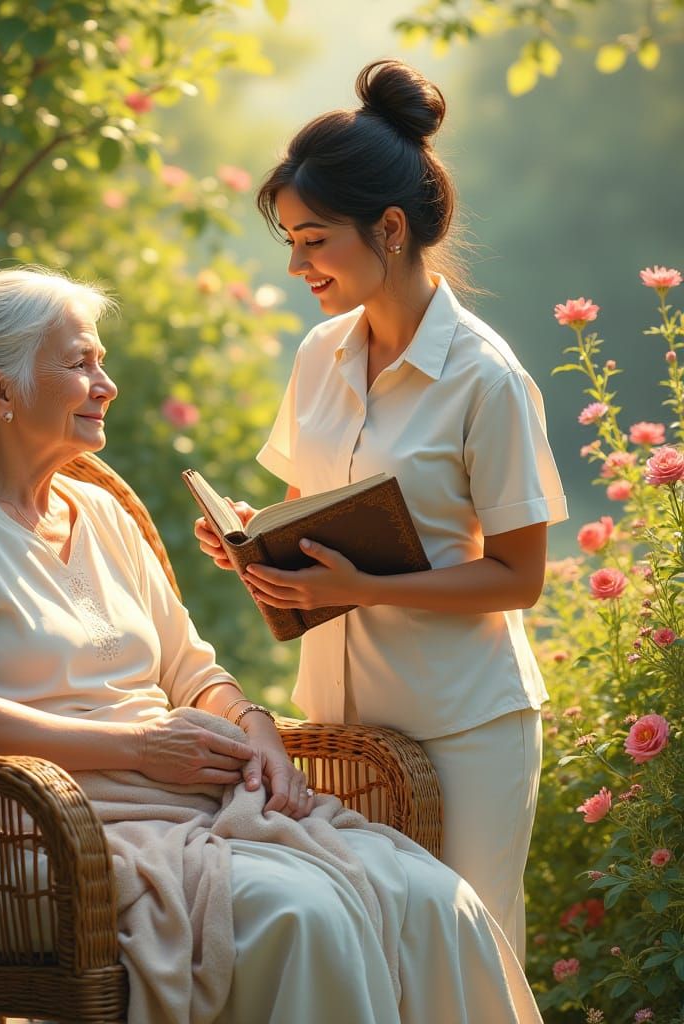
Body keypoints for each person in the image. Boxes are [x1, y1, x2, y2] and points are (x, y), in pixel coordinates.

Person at [0, 255, 543, 1024]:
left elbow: (193, 673)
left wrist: (257, 730)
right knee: (305, 914)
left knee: (430, 898)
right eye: (81, 363)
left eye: (103, 361)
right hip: (50, 838)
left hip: (188, 806)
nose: (107, 383)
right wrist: (139, 750)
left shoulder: (102, 513)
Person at [194, 59, 567, 961]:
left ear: (389, 229)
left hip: (463, 727)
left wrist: (369, 584)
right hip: (339, 723)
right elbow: (307, 514)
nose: (295, 265)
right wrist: (251, 543)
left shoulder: (486, 378)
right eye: (289, 240)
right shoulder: (320, 355)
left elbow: (519, 578)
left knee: (471, 966)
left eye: (314, 240)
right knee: (365, 961)